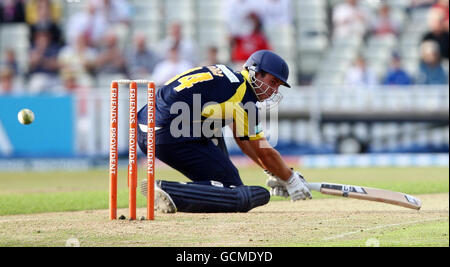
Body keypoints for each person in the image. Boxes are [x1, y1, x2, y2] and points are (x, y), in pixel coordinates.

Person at [136, 50, 312, 213]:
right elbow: (263, 151)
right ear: (254, 71)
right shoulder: (243, 96)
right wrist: (290, 178)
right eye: (272, 82)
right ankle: (170, 191)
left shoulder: (229, 77)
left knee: (214, 130)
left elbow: (243, 139)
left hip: (148, 124)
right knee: (234, 191)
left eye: (278, 86)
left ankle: (190, 189)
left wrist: (274, 171)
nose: (273, 90)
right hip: (167, 132)